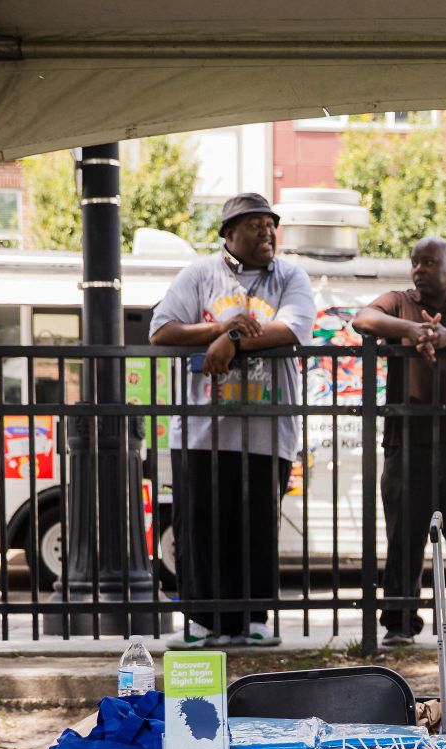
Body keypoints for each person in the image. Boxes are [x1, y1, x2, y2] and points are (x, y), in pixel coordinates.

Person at [151, 193, 314, 648]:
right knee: (197, 527)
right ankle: (202, 623)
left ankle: (254, 621)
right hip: (201, 430)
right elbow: (162, 330)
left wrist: (233, 341)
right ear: (229, 232)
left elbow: (293, 328)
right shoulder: (199, 275)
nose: (267, 232)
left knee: (257, 527)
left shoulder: (290, 277)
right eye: (255, 224)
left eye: (271, 224)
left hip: (267, 430)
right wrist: (218, 331)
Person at [352, 235, 446, 647]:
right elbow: (362, 319)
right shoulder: (399, 301)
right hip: (408, 440)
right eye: (415, 262)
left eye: (429, 262)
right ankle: (399, 623)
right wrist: (412, 329)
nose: (419, 269)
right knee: (404, 535)